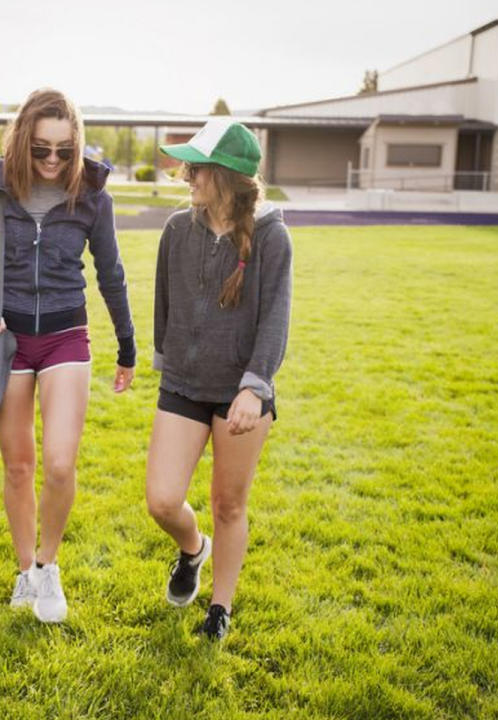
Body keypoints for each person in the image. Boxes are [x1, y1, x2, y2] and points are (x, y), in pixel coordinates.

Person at [0, 88, 136, 623]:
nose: (53, 161)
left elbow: (112, 274)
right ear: (21, 143)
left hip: (65, 335)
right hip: (6, 339)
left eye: (63, 150)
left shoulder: (94, 195)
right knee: (18, 467)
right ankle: (24, 572)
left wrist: (127, 346)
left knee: (58, 464)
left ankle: (48, 564)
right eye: (40, 150)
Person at [146, 118, 292, 640]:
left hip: (241, 395)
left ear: (225, 175)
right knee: (162, 500)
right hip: (184, 384)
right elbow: (164, 301)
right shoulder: (177, 230)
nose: (186, 174)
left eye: (196, 167)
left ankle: (220, 609)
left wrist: (255, 385)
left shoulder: (272, 237)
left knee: (229, 504)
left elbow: (276, 317)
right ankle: (192, 549)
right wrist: (169, 361)